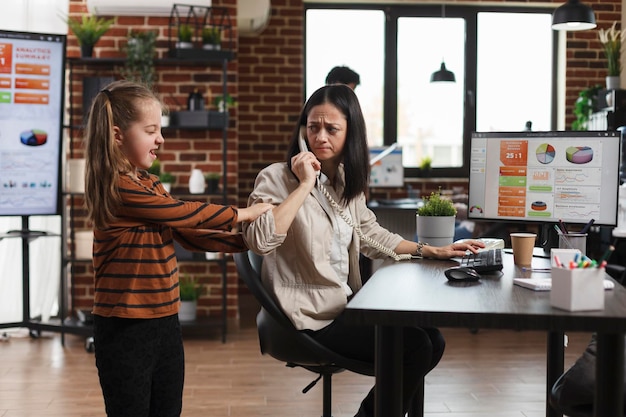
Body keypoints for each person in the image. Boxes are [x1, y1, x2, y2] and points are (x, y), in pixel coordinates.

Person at [242, 84, 484, 417]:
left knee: (432, 340)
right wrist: (304, 186)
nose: (320, 137)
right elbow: (260, 240)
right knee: (414, 348)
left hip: (342, 307)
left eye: (332, 129)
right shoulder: (274, 178)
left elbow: (370, 234)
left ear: (350, 134)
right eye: (313, 127)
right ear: (301, 132)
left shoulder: (345, 183)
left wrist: (431, 250)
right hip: (306, 318)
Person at [83, 79, 272, 417]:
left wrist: (247, 242)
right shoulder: (119, 189)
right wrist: (241, 214)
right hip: (125, 328)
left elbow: (187, 231)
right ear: (117, 135)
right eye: (151, 130)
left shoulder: (150, 183)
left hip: (165, 321)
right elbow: (182, 212)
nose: (161, 139)